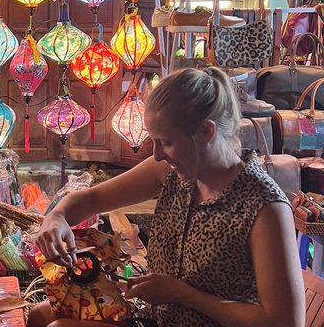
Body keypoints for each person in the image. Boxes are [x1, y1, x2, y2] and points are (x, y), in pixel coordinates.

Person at [27, 68, 305, 327]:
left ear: (206, 132)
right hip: (157, 319)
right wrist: (56, 218)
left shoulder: (264, 206)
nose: (157, 155)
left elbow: (285, 321)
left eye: (166, 143)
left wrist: (183, 294)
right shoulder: (172, 171)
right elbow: (90, 199)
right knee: (40, 315)